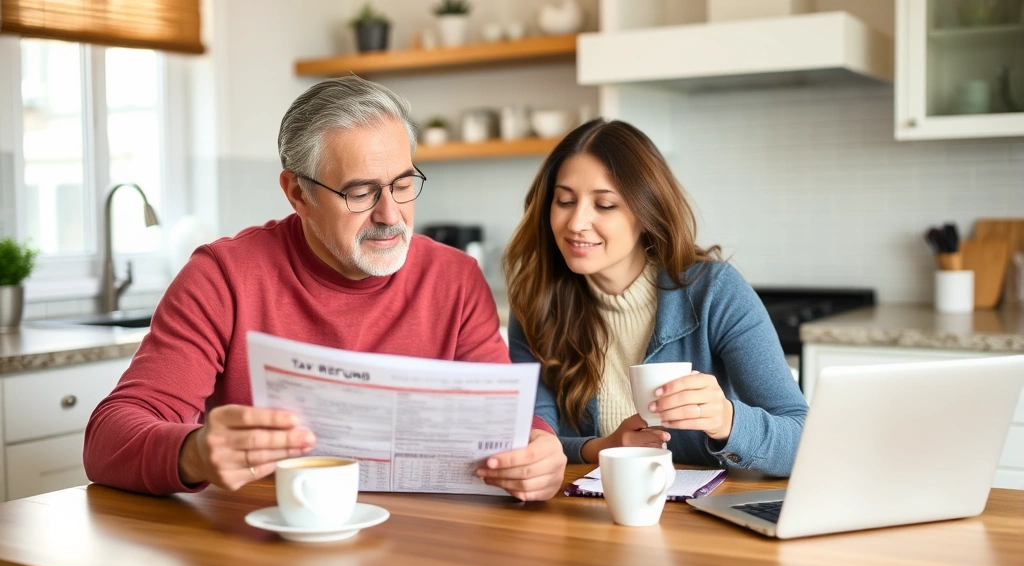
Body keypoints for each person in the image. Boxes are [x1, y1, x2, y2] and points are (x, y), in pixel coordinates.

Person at [84, 76, 566, 501]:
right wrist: (194, 453)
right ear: (298, 194)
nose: (391, 215)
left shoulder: (455, 278)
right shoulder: (223, 277)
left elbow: (506, 423)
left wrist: (539, 449)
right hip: (263, 542)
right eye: (360, 193)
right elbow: (109, 437)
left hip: (418, 546)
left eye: (402, 184)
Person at [504, 118, 807, 477]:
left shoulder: (714, 291)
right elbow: (537, 435)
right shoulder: (536, 303)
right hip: (582, 519)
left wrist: (727, 420)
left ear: (646, 212)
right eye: (565, 201)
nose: (576, 222)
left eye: (605, 205)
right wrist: (596, 448)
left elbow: (803, 439)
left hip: (698, 522)